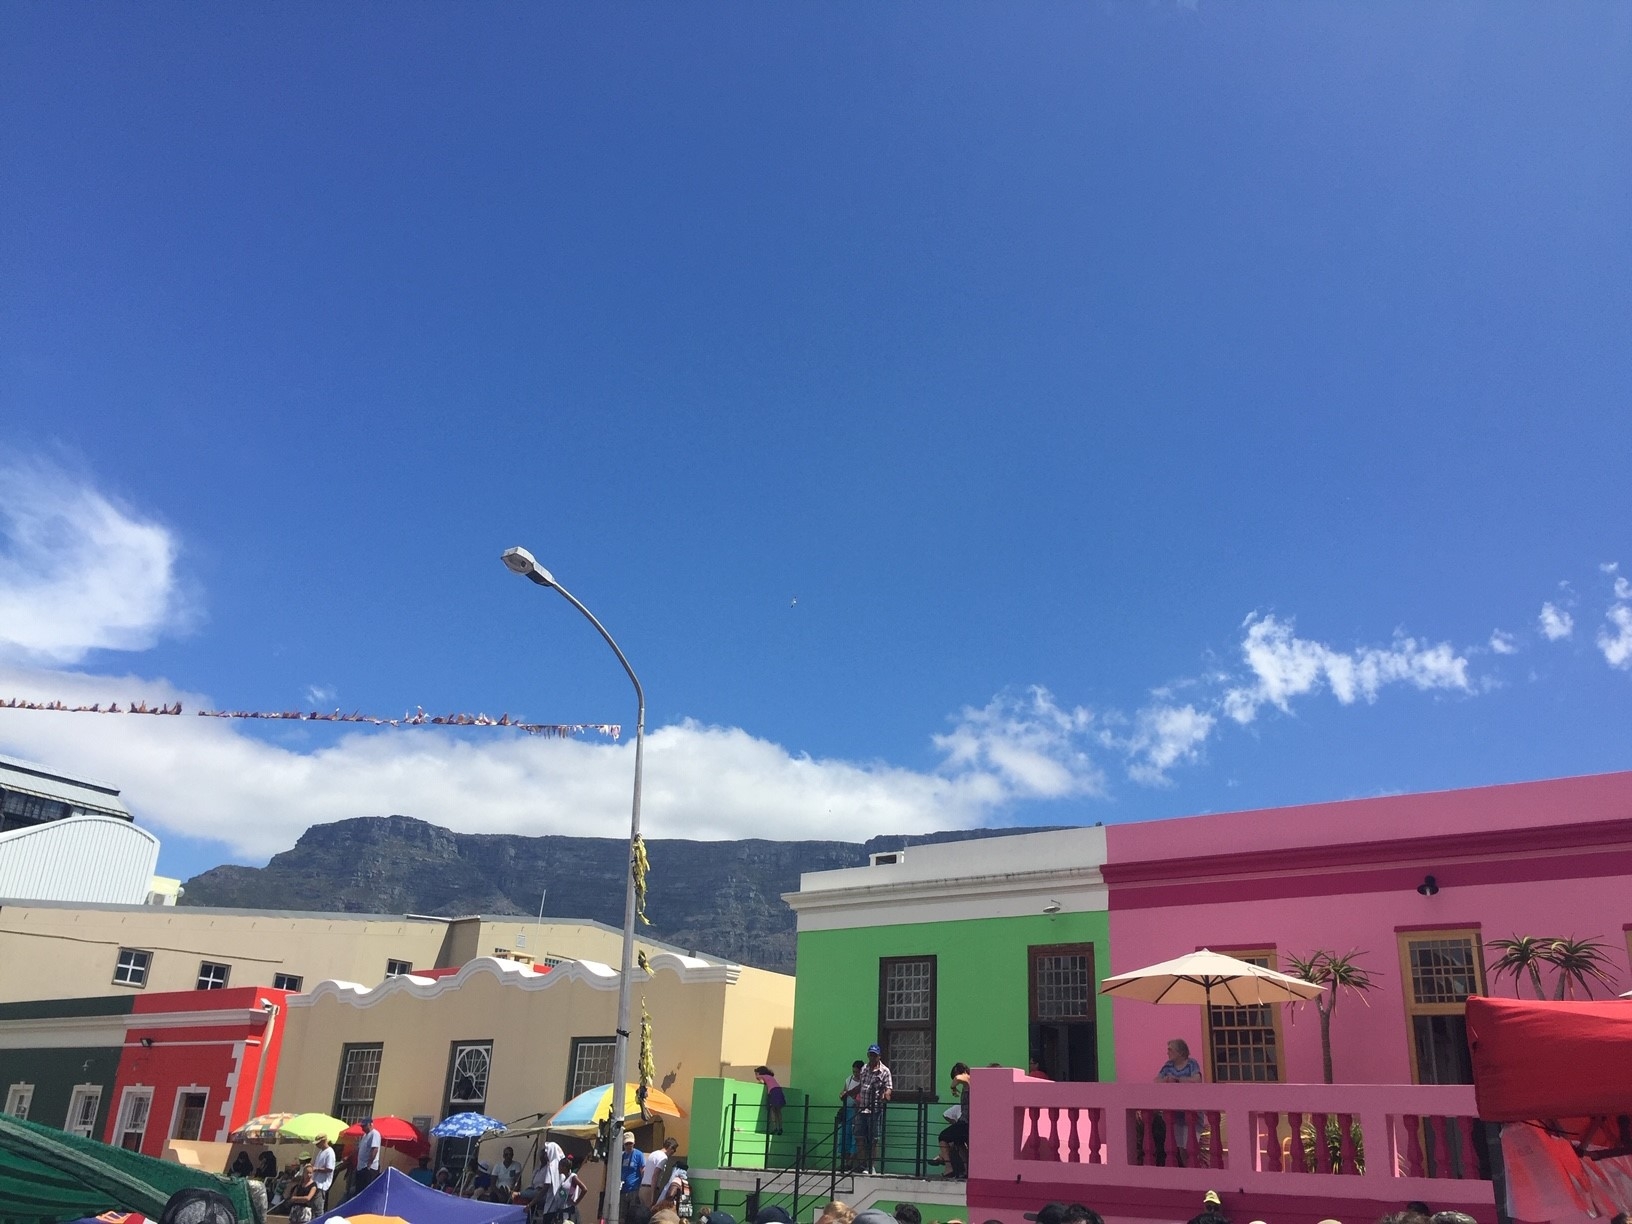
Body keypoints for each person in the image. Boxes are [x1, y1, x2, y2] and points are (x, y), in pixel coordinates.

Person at [1154, 1040, 1202, 1163]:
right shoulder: (1168, 1066)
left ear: (1180, 1052)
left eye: (1170, 1050)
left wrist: (1178, 1080)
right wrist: (1166, 1079)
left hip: (1191, 1112)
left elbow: (1197, 1080)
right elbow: (1156, 1081)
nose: (1168, 1052)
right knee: (1181, 1148)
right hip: (1176, 1114)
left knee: (1191, 1146)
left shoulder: (1191, 1064)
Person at [854, 1044, 893, 1175]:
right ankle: (862, 1164)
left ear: (879, 1056)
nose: (872, 1057)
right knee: (859, 1137)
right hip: (861, 1108)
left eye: (874, 1055)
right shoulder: (864, 1068)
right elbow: (861, 1086)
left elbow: (889, 1088)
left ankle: (871, 1166)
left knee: (873, 1139)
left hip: (874, 1110)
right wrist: (848, 1092)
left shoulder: (885, 1071)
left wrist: (886, 1095)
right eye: (870, 1055)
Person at [931, 1063, 971, 1178]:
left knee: (943, 1136)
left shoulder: (968, 1080)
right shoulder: (969, 1084)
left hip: (966, 1122)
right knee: (959, 1142)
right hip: (966, 1121)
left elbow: (958, 1078)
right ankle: (967, 1171)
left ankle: (949, 1168)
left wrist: (953, 1088)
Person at [839, 1059, 864, 1170]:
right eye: (854, 1071)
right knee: (845, 1135)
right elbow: (843, 1092)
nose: (855, 1074)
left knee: (855, 1137)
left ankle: (851, 1162)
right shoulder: (849, 1080)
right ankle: (845, 1161)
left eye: (857, 1072)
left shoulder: (863, 1082)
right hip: (847, 1111)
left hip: (857, 1112)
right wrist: (843, 1095)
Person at [641, 1137, 679, 1205]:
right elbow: (655, 1175)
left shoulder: (653, 1154)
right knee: (652, 1210)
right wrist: (652, 1195)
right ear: (670, 1147)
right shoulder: (663, 1157)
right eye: (674, 1150)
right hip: (651, 1189)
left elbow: (644, 1170)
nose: (674, 1152)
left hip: (643, 1188)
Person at [620, 1132, 647, 1214]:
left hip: (634, 1189)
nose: (629, 1146)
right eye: (627, 1144)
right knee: (622, 1214)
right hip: (623, 1190)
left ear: (634, 1143)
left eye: (630, 1143)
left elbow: (643, 1170)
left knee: (632, 1214)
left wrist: (641, 1187)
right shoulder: (622, 1156)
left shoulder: (638, 1155)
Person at [755, 1066, 786, 1136]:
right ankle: (780, 1128)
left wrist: (758, 1078)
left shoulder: (760, 1076)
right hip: (779, 1090)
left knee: (772, 1110)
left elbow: (762, 1082)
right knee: (778, 1111)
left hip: (773, 1091)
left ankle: (775, 1128)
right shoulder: (771, 1077)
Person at [354, 1118, 383, 1193]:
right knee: (359, 1190)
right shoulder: (365, 1135)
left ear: (370, 1124)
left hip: (368, 1169)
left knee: (366, 1191)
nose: (362, 1128)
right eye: (362, 1126)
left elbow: (375, 1149)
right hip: (361, 1167)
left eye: (364, 1126)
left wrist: (369, 1165)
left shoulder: (374, 1134)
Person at [311, 1136, 336, 1213]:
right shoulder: (321, 1151)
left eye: (318, 1143)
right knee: (313, 1208)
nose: (316, 1145)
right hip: (315, 1183)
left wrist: (316, 1169)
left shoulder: (330, 1152)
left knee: (318, 1209)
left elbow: (330, 1169)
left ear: (323, 1141)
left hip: (322, 1184)